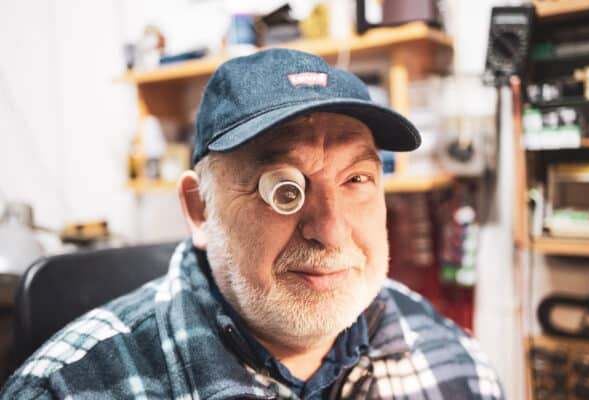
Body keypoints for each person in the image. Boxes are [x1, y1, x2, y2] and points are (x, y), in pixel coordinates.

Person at [1, 49, 504, 399]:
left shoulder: (454, 362)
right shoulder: (67, 389)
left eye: (356, 179)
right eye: (283, 188)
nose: (331, 230)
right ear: (200, 209)